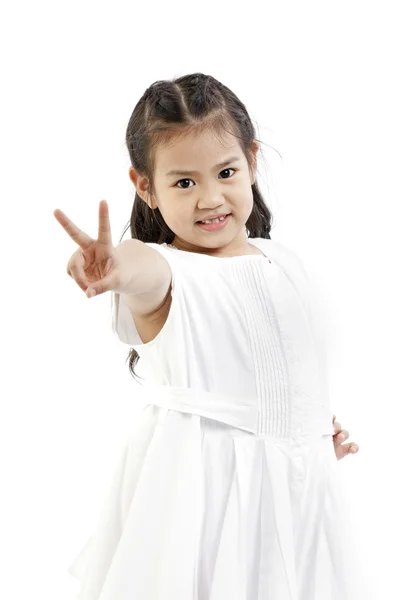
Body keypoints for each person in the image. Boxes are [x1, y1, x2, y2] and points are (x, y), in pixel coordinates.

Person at [54, 73, 363, 600]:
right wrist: (106, 268)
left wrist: (306, 432)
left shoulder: (285, 262)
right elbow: (139, 271)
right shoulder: (166, 270)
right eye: (184, 182)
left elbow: (278, 375)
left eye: (225, 172)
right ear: (144, 186)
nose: (210, 198)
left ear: (251, 160)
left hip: (294, 496)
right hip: (204, 505)